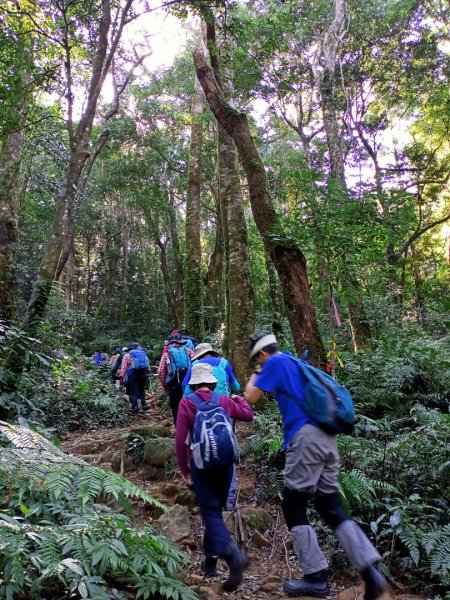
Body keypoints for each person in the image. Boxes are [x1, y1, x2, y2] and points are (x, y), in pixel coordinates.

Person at [244, 330, 388, 600]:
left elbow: (252, 397)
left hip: (306, 438)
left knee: (293, 504)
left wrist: (253, 377)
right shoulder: (294, 362)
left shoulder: (274, 363)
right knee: (329, 505)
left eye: (258, 360)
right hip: (327, 438)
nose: (259, 363)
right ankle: (371, 572)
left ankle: (315, 577)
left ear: (262, 354)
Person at [175, 362, 253, 591]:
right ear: (212, 383)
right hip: (226, 464)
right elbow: (248, 415)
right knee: (215, 512)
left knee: (210, 512)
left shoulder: (186, 403)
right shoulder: (223, 400)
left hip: (201, 465)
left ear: (194, 385)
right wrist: (239, 399)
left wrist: (184, 470)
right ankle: (209, 561)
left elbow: (181, 440)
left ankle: (233, 556)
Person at [182, 342, 241, 510]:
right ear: (212, 353)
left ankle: (210, 496)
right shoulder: (224, 363)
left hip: (200, 414)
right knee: (227, 450)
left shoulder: (195, 365)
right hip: (225, 412)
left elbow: (186, 392)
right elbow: (236, 386)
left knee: (203, 450)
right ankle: (229, 499)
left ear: (199, 355)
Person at [157, 333, 193, 424]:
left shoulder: (166, 354)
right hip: (188, 382)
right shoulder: (188, 351)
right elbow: (196, 364)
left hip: (173, 383)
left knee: (175, 406)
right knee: (189, 403)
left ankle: (179, 428)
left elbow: (160, 371)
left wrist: (164, 386)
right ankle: (190, 426)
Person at [119, 342, 150, 415]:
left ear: (130, 348)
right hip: (143, 374)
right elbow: (148, 366)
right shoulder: (143, 353)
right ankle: (144, 404)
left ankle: (135, 409)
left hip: (133, 375)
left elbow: (124, 368)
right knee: (141, 389)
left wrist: (121, 377)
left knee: (133, 392)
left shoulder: (127, 355)